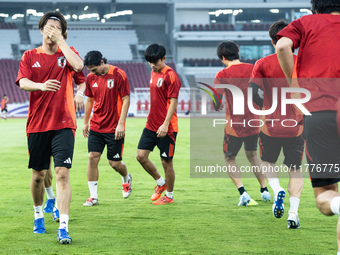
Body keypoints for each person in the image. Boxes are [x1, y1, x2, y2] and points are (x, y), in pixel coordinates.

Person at [276, 0, 340, 250]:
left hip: (320, 112)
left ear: (315, 9)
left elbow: (282, 45)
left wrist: (294, 87)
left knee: (326, 195)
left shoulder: (306, 23)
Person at [15, 11, 84, 244]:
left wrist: (62, 42)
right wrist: (41, 86)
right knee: (38, 176)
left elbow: (79, 66)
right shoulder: (29, 55)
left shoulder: (67, 53)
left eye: (57, 27)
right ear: (41, 29)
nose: (52, 29)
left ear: (62, 32)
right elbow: (23, 82)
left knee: (62, 173)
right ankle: (38, 216)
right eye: (49, 26)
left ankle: (63, 227)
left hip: (64, 123)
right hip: (37, 124)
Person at [249, 20, 304, 228]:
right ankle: (293, 213)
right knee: (295, 170)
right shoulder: (302, 62)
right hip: (296, 126)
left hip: (269, 126)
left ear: (273, 41)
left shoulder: (262, 64)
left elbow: (252, 93)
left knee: (268, 163)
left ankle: (276, 189)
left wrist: (266, 107)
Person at [213, 41, 270, 206]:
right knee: (253, 156)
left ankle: (243, 193)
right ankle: (264, 190)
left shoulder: (222, 74)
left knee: (229, 158)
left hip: (234, 127)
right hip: (254, 123)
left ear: (223, 57)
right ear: (237, 53)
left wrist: (218, 104)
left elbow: (216, 102)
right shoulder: (253, 68)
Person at [82, 50, 132, 206]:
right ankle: (93, 196)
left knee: (114, 163)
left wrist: (121, 124)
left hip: (114, 127)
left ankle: (126, 178)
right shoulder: (91, 78)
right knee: (92, 157)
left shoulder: (118, 74)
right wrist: (85, 122)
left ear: (102, 62)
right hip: (96, 125)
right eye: (89, 70)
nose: (92, 73)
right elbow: (89, 100)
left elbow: (126, 99)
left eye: (94, 69)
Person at [136, 43, 181, 205]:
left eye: (156, 62)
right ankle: (161, 183)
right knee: (140, 156)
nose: (153, 65)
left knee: (166, 162)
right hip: (150, 125)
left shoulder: (170, 75)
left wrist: (165, 124)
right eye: (150, 62)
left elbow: (173, 101)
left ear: (164, 59)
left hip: (167, 128)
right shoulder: (153, 73)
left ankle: (169, 195)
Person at [44, 74, 85, 221]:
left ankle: (59, 211)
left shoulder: (67, 57)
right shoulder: (33, 58)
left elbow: (81, 75)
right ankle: (51, 197)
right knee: (43, 170)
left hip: (63, 124)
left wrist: (79, 93)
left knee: (61, 173)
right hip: (41, 123)